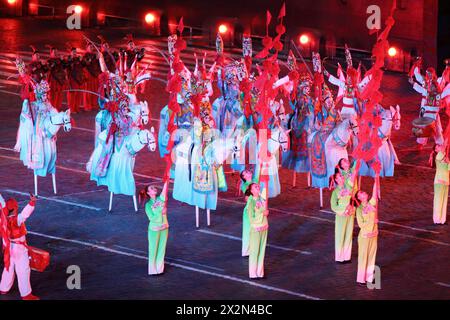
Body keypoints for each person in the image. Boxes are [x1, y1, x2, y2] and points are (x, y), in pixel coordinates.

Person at [0, 193, 39, 300]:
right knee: (23, 270)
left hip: (8, 248)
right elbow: (25, 214)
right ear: (15, 208)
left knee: (8, 268)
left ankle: (3, 288)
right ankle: (26, 294)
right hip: (19, 249)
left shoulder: (2, 220)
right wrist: (32, 202)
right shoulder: (16, 219)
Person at [140, 182, 169, 275]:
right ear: (148, 193)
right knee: (153, 249)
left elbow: (165, 191)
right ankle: (152, 270)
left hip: (164, 227)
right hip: (154, 229)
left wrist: (166, 180)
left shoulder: (160, 199)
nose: (154, 188)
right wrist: (161, 212)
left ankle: (160, 269)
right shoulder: (148, 205)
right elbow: (151, 218)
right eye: (152, 188)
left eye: (154, 187)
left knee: (162, 249)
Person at [354, 177, 379, 285]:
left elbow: (375, 193)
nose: (364, 193)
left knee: (372, 255)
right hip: (365, 236)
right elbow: (361, 224)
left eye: (363, 191)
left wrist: (376, 177)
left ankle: (369, 277)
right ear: (359, 198)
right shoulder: (359, 209)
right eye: (361, 193)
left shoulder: (371, 203)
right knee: (363, 256)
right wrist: (370, 218)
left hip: (374, 234)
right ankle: (360, 278)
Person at [330, 171, 355, 263]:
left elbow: (353, 199)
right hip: (341, 215)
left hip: (350, 214)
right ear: (336, 179)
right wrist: (343, 211)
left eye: (342, 175)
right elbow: (333, 206)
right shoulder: (335, 192)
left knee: (349, 234)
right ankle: (339, 257)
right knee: (340, 235)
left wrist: (352, 207)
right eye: (340, 176)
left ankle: (347, 256)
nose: (342, 176)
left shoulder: (348, 187)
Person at [245, 183, 268, 279]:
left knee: (262, 251)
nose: (258, 188)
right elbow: (251, 217)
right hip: (256, 228)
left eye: (258, 186)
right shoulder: (251, 202)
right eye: (255, 187)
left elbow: (264, 210)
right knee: (254, 251)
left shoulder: (261, 198)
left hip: (264, 226)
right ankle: (253, 273)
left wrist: (265, 212)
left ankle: (260, 272)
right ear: (251, 191)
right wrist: (263, 213)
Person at [430, 144, 450, 224]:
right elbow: (444, 148)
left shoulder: (445, 157)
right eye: (437, 146)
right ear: (436, 150)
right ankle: (436, 219)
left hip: (446, 181)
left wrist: (448, 162)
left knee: (444, 201)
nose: (440, 146)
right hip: (439, 181)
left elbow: (449, 169)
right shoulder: (438, 156)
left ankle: (442, 220)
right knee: (438, 201)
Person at [240, 169, 255, 257]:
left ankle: (254, 248)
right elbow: (246, 199)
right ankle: (247, 250)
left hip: (256, 209)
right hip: (249, 209)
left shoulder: (254, 181)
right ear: (244, 177)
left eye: (248, 171)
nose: (248, 172)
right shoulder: (244, 185)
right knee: (247, 231)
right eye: (245, 173)